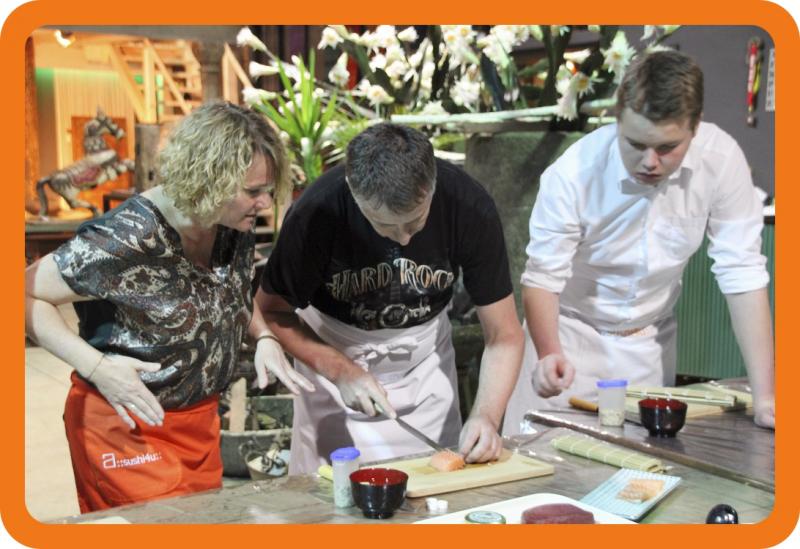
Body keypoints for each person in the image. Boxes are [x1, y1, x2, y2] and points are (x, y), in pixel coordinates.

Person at [25, 101, 313, 512]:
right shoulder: (127, 238)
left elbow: (225, 292)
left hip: (198, 423)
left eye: (268, 190)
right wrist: (98, 368)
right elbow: (21, 293)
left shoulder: (231, 223)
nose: (265, 203)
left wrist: (263, 335)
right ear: (209, 180)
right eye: (253, 192)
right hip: (127, 425)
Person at [503, 50, 775, 435]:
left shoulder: (722, 160)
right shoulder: (573, 173)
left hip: (649, 344)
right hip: (568, 337)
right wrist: (548, 353)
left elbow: (743, 273)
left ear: (695, 126)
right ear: (617, 119)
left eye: (666, 148)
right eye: (634, 143)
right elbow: (542, 278)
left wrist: (766, 397)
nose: (649, 161)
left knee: (642, 465)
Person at [255, 122, 524, 474]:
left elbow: (504, 336)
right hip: (334, 362)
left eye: (415, 221)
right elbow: (271, 313)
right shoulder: (317, 211)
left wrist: (486, 416)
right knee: (333, 494)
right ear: (353, 191)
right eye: (383, 225)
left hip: (425, 367)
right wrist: (340, 370)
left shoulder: (468, 205)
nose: (404, 240)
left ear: (432, 186)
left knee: (436, 493)